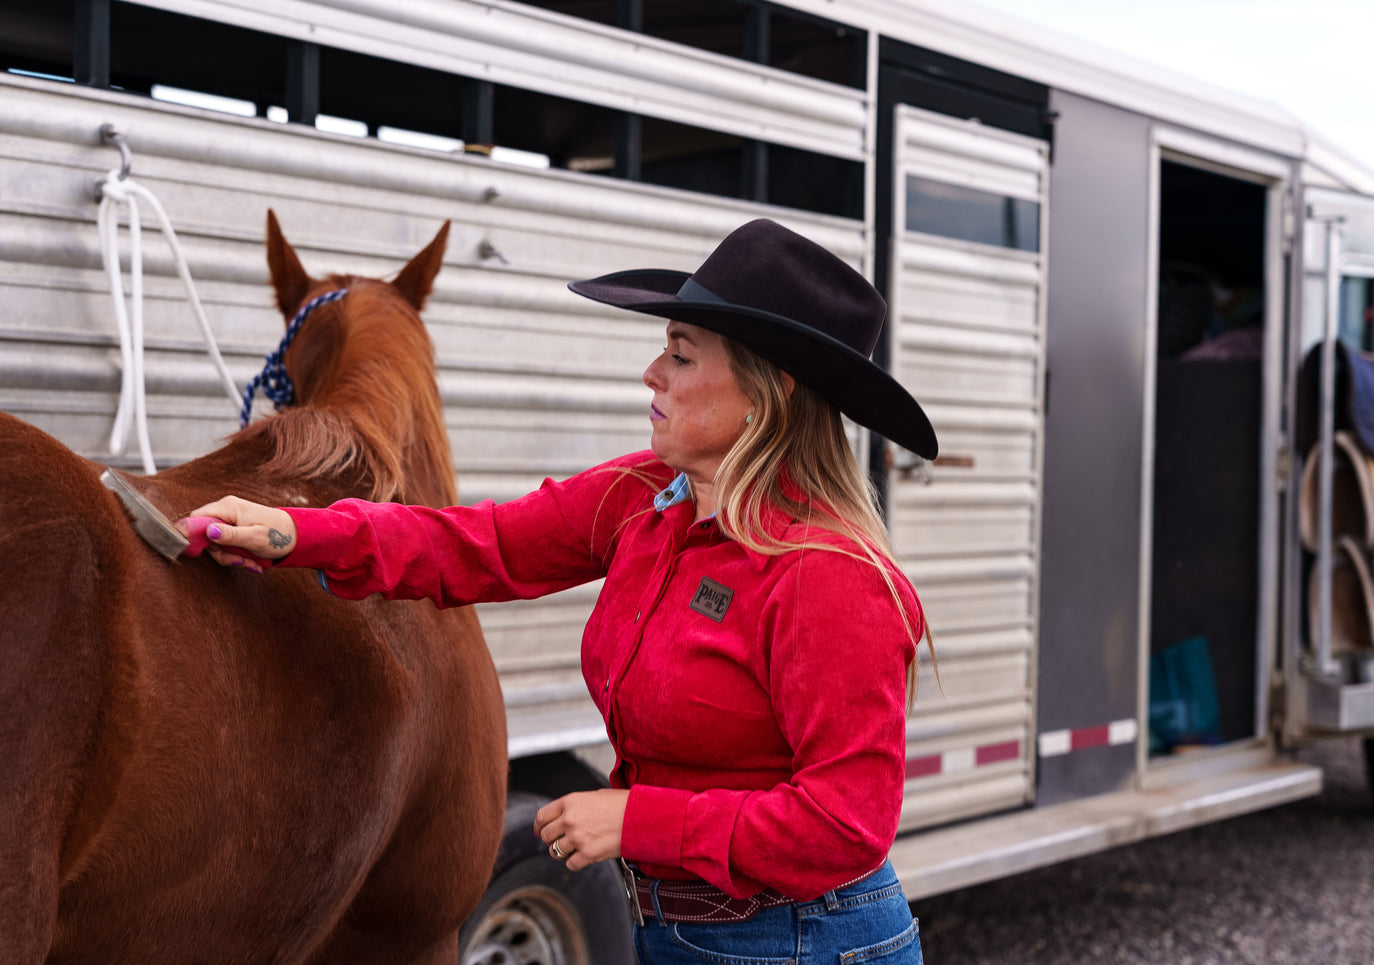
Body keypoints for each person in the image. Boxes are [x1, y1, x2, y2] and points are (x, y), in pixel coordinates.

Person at [189, 218, 938, 964]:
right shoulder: (646, 497)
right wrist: (296, 532)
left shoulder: (831, 575)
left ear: (768, 393)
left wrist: (639, 821)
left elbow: (845, 823)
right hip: (683, 929)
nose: (652, 372)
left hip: (807, 941)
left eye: (679, 355)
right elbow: (479, 543)